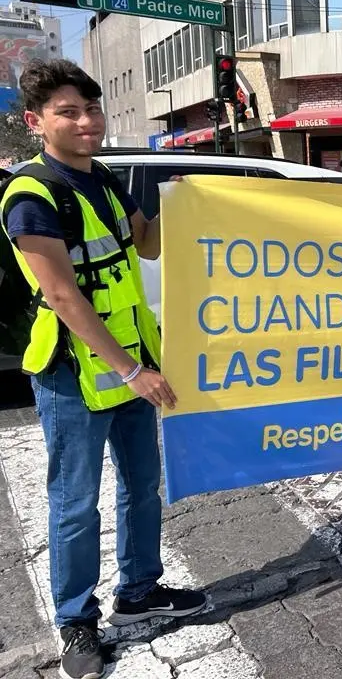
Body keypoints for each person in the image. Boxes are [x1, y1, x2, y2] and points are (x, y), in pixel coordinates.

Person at [0, 60, 206, 679]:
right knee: (74, 503)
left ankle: (140, 590)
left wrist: (199, 203)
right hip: (74, 373)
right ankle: (77, 622)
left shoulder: (106, 180)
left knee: (143, 485)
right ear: (37, 122)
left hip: (132, 360)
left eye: (92, 109)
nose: (86, 121)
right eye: (69, 112)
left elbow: (144, 244)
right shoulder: (31, 194)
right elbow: (63, 296)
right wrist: (132, 372)